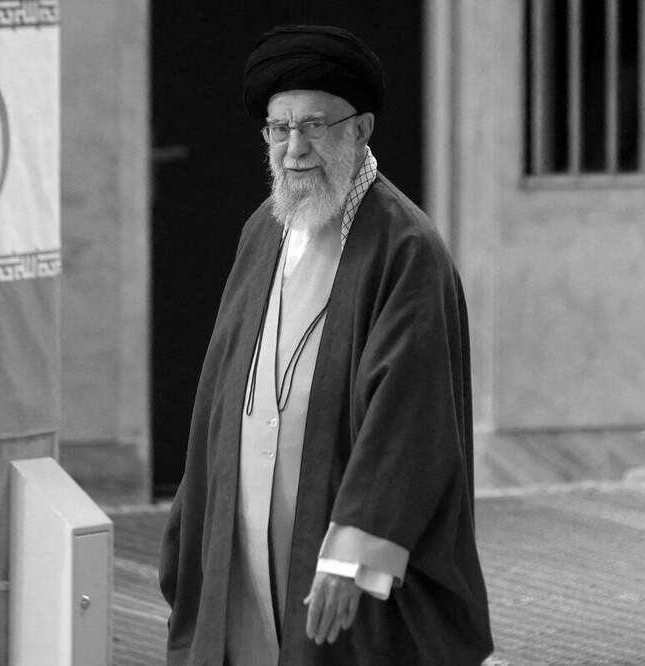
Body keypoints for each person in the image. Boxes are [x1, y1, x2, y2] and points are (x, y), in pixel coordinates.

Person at [159, 24, 494, 665]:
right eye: (279, 129)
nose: (295, 149)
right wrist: (195, 509)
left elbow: (412, 418)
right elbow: (219, 386)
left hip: (333, 546)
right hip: (245, 522)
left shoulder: (406, 248)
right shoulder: (263, 229)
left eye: (314, 126)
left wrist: (352, 554)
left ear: (360, 129)